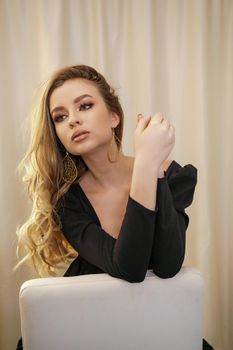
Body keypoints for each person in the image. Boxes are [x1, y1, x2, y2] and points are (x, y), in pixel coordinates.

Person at [16, 64, 213, 349]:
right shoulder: (67, 202)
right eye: (60, 117)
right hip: (89, 321)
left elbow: (168, 266)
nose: (72, 120)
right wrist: (147, 162)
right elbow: (130, 268)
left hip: (154, 321)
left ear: (113, 117)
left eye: (84, 106)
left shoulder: (173, 175)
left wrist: (151, 168)